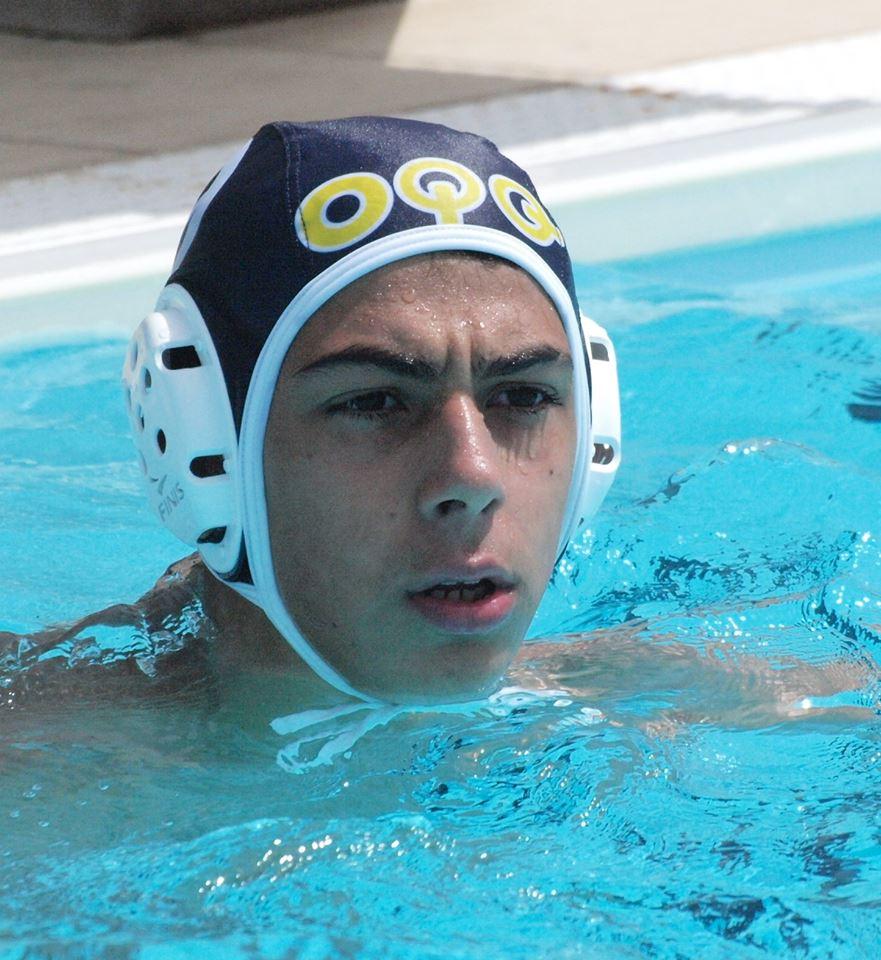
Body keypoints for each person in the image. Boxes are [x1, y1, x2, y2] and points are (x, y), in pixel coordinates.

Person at [2, 118, 869, 739]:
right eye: (375, 403)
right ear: (204, 444)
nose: (472, 475)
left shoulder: (677, 704)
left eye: (522, 397)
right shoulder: (40, 764)